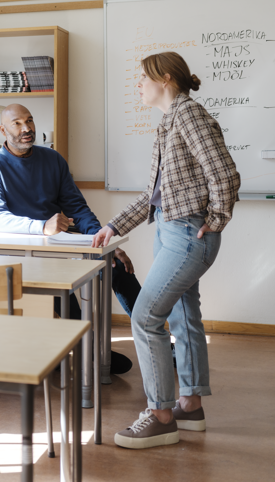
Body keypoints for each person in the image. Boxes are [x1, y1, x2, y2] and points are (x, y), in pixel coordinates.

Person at [92, 52, 240, 449]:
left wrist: (219, 217)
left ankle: (160, 414)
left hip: (188, 233)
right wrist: (113, 226)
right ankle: (189, 405)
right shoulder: (169, 122)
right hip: (172, 228)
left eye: (143, 77)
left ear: (166, 78)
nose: (138, 84)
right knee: (183, 314)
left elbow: (223, 172)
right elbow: (152, 196)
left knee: (144, 317)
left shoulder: (188, 115)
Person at [0, 103, 142, 373]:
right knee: (61, 289)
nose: (27, 128)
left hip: (59, 243)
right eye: (17, 123)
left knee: (118, 268)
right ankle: (87, 349)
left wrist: (104, 241)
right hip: (22, 250)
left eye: (29, 121)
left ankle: (157, 342)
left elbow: (77, 207)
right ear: (3, 130)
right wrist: (42, 226)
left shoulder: (52, 159)